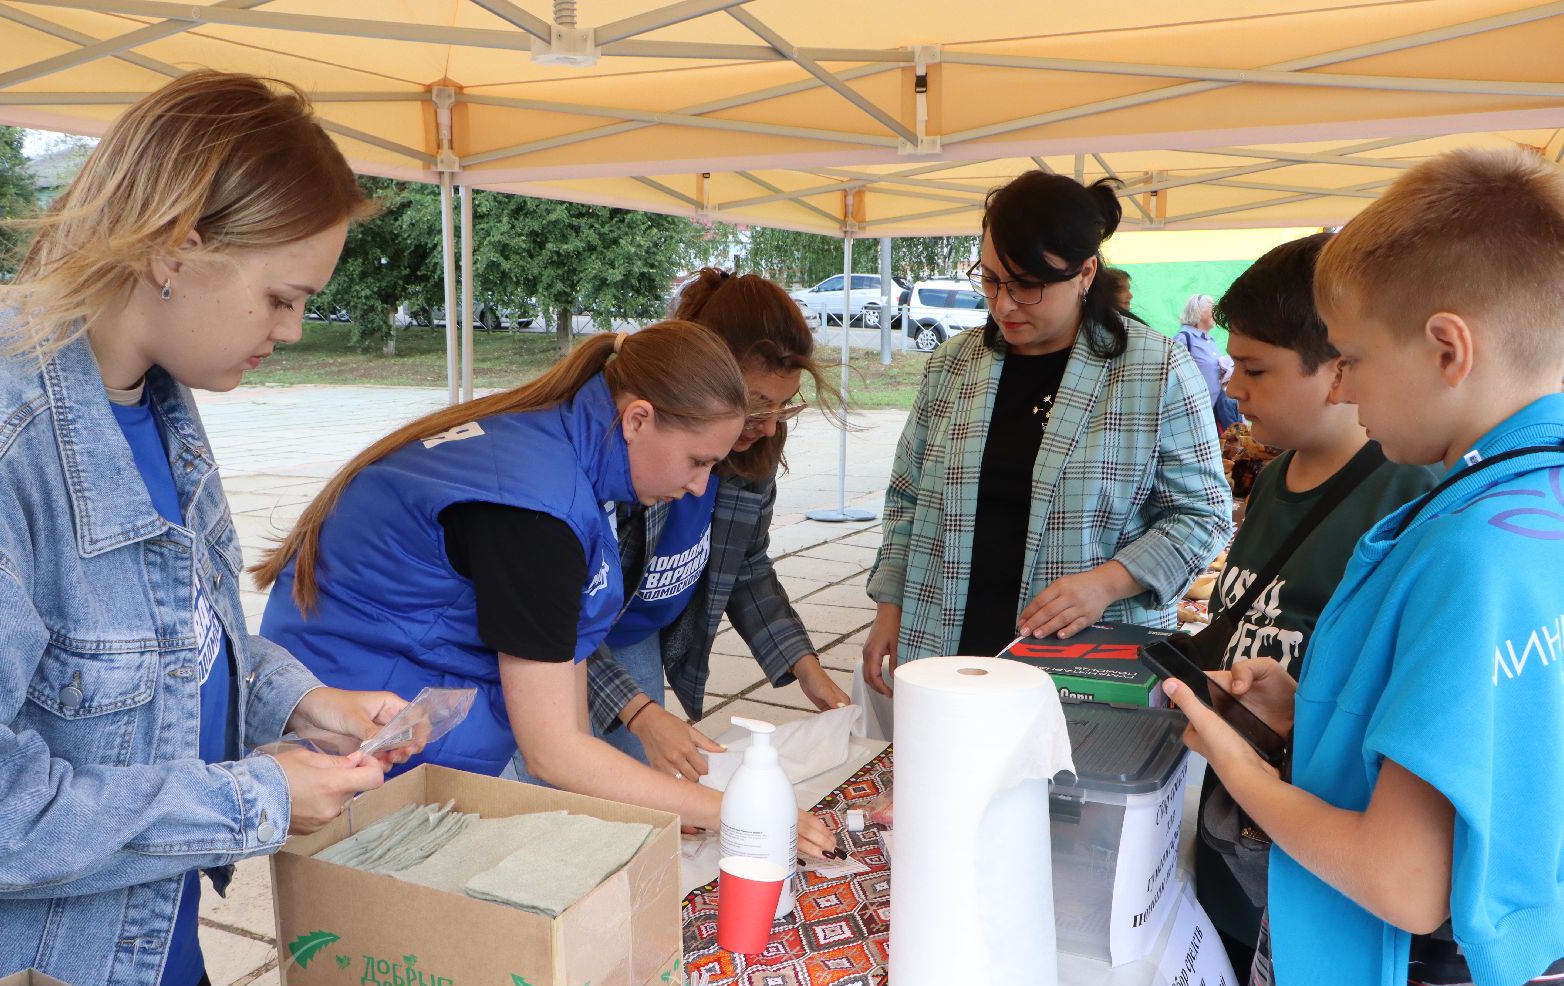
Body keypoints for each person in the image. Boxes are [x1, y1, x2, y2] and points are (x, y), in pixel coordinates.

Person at [0, 72, 412, 986]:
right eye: (281, 298)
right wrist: (255, 799)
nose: (288, 331)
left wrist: (294, 699)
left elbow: (171, 635)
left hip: (150, 953)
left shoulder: (152, 392)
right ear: (176, 244)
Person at [1165, 148, 1564, 986]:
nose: (1341, 388)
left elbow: (1402, 879)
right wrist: (1310, 714)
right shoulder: (1531, 510)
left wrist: (1236, 762)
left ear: (1447, 348)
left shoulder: (1470, 548)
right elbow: (1498, 750)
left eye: (1351, 358)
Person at [255, 322, 837, 858]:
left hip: (407, 683)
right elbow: (553, 750)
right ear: (637, 419)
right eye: (697, 461)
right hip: (359, 725)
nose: (698, 486)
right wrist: (738, 814)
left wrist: (649, 798)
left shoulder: (561, 447)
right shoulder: (538, 512)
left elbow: (563, 687)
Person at [862, 171, 1231, 691]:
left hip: (1086, 651)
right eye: (989, 279)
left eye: (1028, 285)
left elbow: (1202, 515)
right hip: (947, 635)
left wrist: (1106, 584)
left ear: (1085, 273)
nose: (1004, 304)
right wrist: (890, 604)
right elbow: (907, 499)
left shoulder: (1154, 369)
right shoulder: (953, 365)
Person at [1188, 233, 1436, 986]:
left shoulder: (1412, 498)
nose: (1235, 386)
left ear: (1340, 369)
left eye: (1256, 369)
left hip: (1328, 865)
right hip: (1237, 847)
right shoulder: (1269, 483)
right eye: (1232, 363)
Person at [585, 269, 851, 782]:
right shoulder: (627, 453)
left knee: (640, 784)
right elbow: (559, 623)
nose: (769, 426)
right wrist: (639, 714)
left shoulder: (756, 446)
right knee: (568, 783)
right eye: (754, 404)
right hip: (572, 635)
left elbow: (745, 561)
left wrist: (804, 666)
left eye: (782, 405)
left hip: (633, 633)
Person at [1176, 294, 1242, 431]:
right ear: (1197, 311)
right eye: (1212, 307)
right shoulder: (1184, 338)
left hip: (1213, 411)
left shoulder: (1210, 340)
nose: (1216, 312)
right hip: (1192, 414)